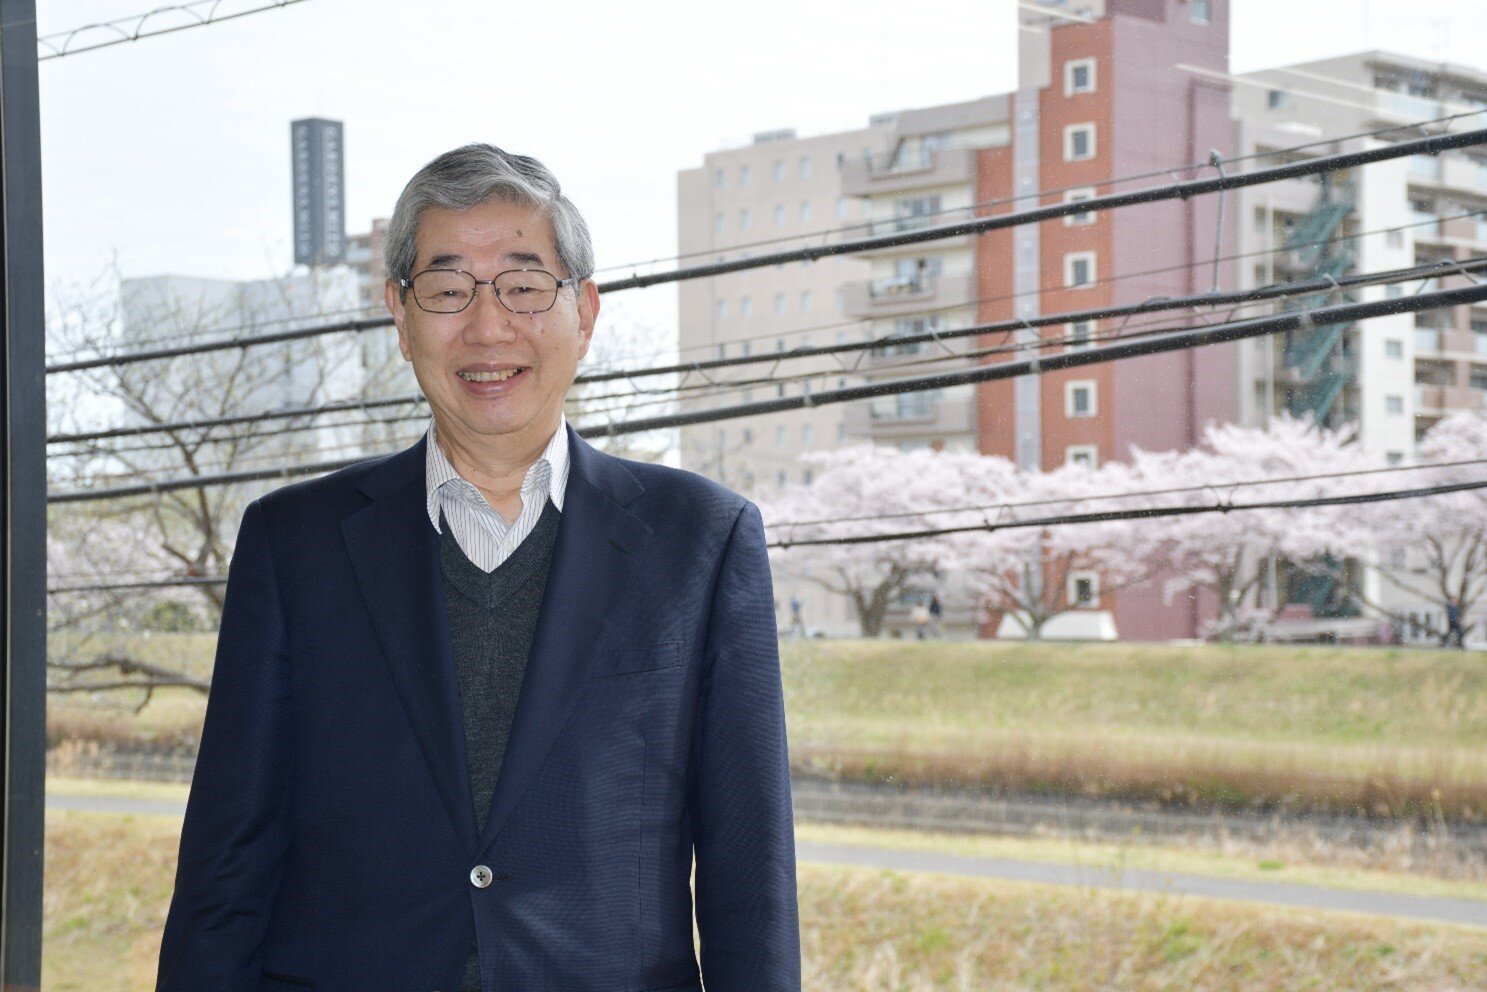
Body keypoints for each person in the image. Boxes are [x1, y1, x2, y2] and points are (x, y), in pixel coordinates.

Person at [156, 144, 800, 992]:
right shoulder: (293, 542)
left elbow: (747, 874)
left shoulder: (700, 541)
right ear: (399, 314)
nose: (488, 328)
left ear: (586, 312)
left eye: (525, 287)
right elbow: (227, 863)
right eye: (448, 289)